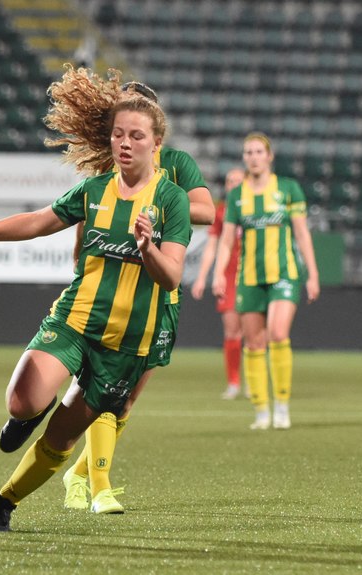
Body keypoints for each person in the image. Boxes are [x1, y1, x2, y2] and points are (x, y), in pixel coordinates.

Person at [0, 66, 191, 532]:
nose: (125, 142)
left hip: (128, 345)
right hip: (77, 318)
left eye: (136, 135)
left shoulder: (172, 201)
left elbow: (172, 277)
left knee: (61, 438)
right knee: (21, 401)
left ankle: (4, 502)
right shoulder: (95, 190)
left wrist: (148, 249)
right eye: (118, 134)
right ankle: (26, 417)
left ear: (157, 144)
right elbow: (38, 220)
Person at [56, 81, 214, 514]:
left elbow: (207, 210)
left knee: (126, 398)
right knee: (96, 387)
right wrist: (78, 265)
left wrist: (164, 204)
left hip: (160, 295)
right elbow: (86, 218)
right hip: (109, 291)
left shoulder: (176, 165)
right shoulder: (113, 166)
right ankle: (99, 485)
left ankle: (79, 473)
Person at [212, 132, 319, 430]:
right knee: (255, 343)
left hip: (284, 274)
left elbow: (301, 233)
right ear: (245, 159)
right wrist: (219, 272)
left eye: (259, 151)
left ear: (269, 156)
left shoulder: (287, 189)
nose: (254, 157)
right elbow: (224, 241)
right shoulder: (236, 196)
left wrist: (313, 273)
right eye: (249, 153)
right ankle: (262, 410)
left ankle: (282, 405)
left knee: (278, 333)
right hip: (249, 279)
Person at [191, 167, 247, 399]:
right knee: (232, 329)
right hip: (231, 277)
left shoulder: (258, 208)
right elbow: (212, 246)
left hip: (256, 275)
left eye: (237, 181)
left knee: (256, 335)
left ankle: (255, 382)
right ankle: (234, 382)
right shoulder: (222, 212)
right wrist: (203, 277)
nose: (232, 184)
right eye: (229, 181)